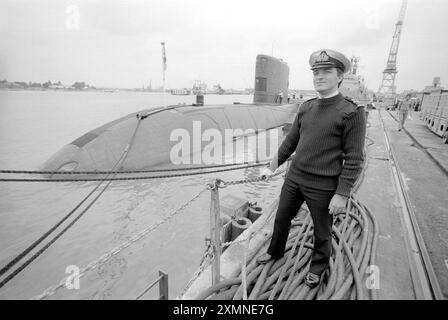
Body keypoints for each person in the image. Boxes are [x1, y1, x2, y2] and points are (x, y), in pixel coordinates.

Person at [257, 49, 366, 288]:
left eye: (326, 71)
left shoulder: (351, 112)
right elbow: (290, 142)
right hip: (294, 178)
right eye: (316, 71)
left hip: (324, 184)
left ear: (339, 76)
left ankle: (318, 266)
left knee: (321, 230)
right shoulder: (306, 108)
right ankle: (275, 251)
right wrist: (270, 167)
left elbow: (355, 158)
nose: (319, 76)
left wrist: (342, 193)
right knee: (281, 219)